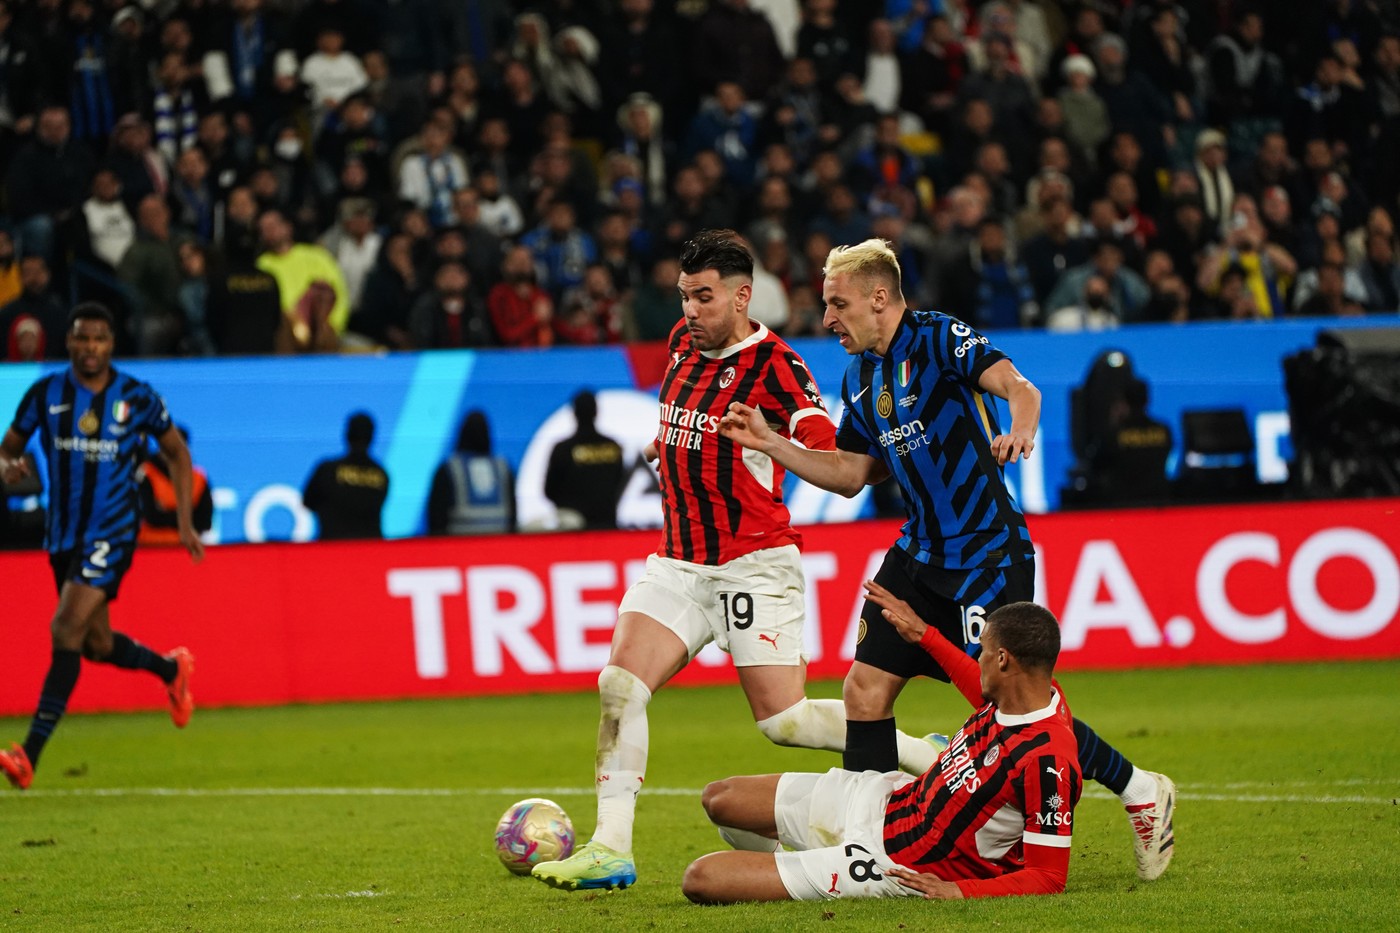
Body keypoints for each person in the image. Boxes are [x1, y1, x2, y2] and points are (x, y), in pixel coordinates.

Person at [719, 239, 1177, 882]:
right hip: (920, 551)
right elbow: (851, 474)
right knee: (864, 689)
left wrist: (1019, 426)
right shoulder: (860, 377)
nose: (826, 319)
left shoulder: (936, 339)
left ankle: (1137, 786)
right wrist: (772, 444)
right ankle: (866, 839)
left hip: (987, 550)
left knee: (1011, 699)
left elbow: (1020, 387)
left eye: (837, 304)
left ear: (880, 299)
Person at [530, 230, 939, 894]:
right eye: (685, 295)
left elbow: (837, 462)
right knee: (620, 685)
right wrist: (670, 457)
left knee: (785, 722)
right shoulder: (680, 345)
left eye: (705, 296)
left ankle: (927, 754)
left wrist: (769, 441)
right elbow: (687, 428)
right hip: (680, 562)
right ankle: (610, 848)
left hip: (755, 562)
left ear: (743, 296)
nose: (691, 309)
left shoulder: (779, 367)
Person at [683, 597, 1083, 903]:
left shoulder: (1048, 762)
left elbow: (1049, 877)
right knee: (720, 799)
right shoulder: (1030, 695)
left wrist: (960, 892)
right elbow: (969, 682)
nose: (976, 659)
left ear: (1002, 660)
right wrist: (924, 635)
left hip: (890, 863)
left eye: (982, 651)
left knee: (700, 878)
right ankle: (799, 863)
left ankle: (812, 870)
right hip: (887, 798)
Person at [0, 302, 202, 791]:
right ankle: (170, 669)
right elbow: (9, 448)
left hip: (111, 531)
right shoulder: (45, 393)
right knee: (95, 643)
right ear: (68, 342)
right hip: (63, 534)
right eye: (81, 338)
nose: (90, 348)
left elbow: (175, 453)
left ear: (112, 344)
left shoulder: (137, 397)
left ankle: (28, 754)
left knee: (65, 628)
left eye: (99, 339)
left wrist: (184, 521)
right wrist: (8, 466)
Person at [544, 390, 625, 530]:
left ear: (574, 413)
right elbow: (620, 483)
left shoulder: (562, 449)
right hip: (606, 527)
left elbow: (549, 490)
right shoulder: (613, 447)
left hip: (572, 530)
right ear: (596, 412)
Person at [425, 410, 515, 536]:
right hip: (498, 546)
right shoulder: (504, 468)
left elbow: (436, 517)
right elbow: (513, 515)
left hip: (458, 547)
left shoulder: (448, 469)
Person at [301, 411, 389, 540]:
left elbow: (307, 502)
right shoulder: (382, 474)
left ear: (347, 434)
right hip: (371, 552)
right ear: (372, 437)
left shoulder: (327, 470)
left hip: (332, 550)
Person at [138, 426, 214, 545]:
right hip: (149, 546)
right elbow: (151, 516)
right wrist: (187, 517)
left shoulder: (199, 478)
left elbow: (204, 520)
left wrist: (165, 512)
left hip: (188, 547)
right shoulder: (146, 473)